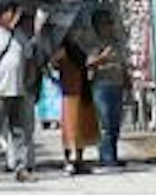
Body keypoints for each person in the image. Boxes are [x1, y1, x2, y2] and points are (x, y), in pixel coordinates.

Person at [0, 3, 39, 177]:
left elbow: (29, 57)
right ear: (0, 15)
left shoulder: (18, 35)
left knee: (20, 131)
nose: (13, 16)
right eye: (10, 12)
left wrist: (30, 79)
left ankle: (21, 167)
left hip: (19, 90)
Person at [90, 11, 133, 169]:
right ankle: (106, 157)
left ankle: (113, 154)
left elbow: (123, 64)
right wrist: (102, 58)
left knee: (115, 123)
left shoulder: (116, 43)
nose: (109, 27)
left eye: (110, 23)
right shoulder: (94, 44)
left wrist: (128, 81)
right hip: (102, 85)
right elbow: (89, 64)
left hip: (117, 84)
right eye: (105, 23)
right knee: (105, 122)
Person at [52, 31, 95, 174]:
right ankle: (69, 160)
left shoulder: (79, 49)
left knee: (81, 127)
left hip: (82, 90)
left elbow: (85, 65)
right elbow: (54, 64)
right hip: (70, 92)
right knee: (70, 128)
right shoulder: (62, 51)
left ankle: (79, 159)